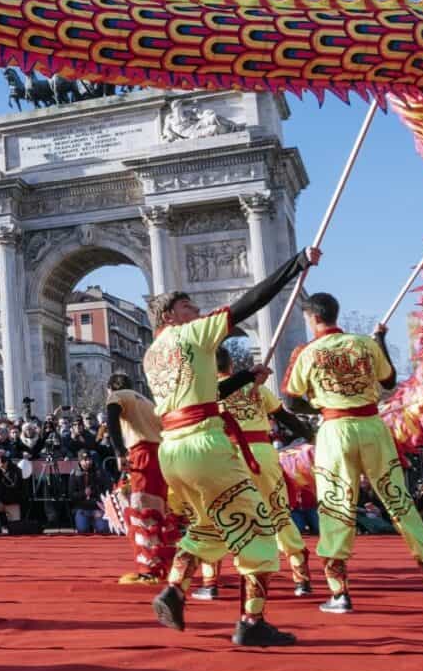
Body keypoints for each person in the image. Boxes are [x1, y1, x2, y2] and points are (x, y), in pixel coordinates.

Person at [145, 246, 320, 648]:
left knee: (209, 525)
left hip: (173, 449)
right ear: (170, 315)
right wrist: (295, 263)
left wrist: (245, 380)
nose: (198, 311)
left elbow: (206, 392)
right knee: (259, 530)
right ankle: (251, 622)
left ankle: (174, 588)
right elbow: (249, 301)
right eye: (189, 306)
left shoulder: (152, 354)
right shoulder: (191, 332)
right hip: (207, 445)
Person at [283, 293, 423, 615]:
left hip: (335, 431)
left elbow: (291, 401)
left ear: (312, 317)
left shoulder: (308, 352)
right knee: (399, 501)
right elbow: (388, 381)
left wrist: (321, 406)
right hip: (373, 427)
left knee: (336, 506)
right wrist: (380, 341)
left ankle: (340, 592)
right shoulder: (364, 344)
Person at [192, 346, 316, 601]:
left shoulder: (206, 394)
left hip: (226, 456)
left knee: (215, 514)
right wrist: (312, 435)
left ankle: (210, 581)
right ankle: (300, 576)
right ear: (231, 367)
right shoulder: (257, 389)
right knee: (277, 510)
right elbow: (286, 417)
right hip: (263, 454)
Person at [104, 375, 178, 585]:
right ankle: (161, 565)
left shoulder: (118, 397)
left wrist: (118, 452)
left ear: (110, 388)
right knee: (158, 511)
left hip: (141, 453)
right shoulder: (148, 402)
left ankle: (149, 570)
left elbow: (111, 420)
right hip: (161, 455)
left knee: (142, 511)